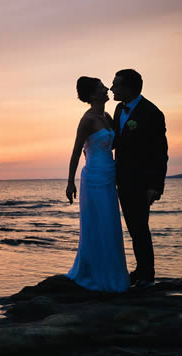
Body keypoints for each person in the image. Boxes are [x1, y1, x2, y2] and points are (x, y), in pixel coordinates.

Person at [65, 76, 130, 293]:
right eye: (102, 87)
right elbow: (76, 151)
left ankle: (112, 273)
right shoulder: (87, 120)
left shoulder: (108, 116)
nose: (106, 89)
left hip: (109, 174)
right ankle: (93, 274)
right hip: (93, 177)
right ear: (93, 95)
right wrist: (70, 182)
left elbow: (112, 145)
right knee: (96, 224)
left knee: (110, 223)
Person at [110, 69, 168, 288]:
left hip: (142, 182)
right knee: (134, 228)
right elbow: (118, 140)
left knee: (140, 228)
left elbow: (160, 152)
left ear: (128, 88)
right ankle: (140, 269)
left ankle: (146, 275)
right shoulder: (118, 109)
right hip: (122, 179)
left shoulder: (152, 113)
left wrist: (155, 185)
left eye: (115, 84)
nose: (112, 88)